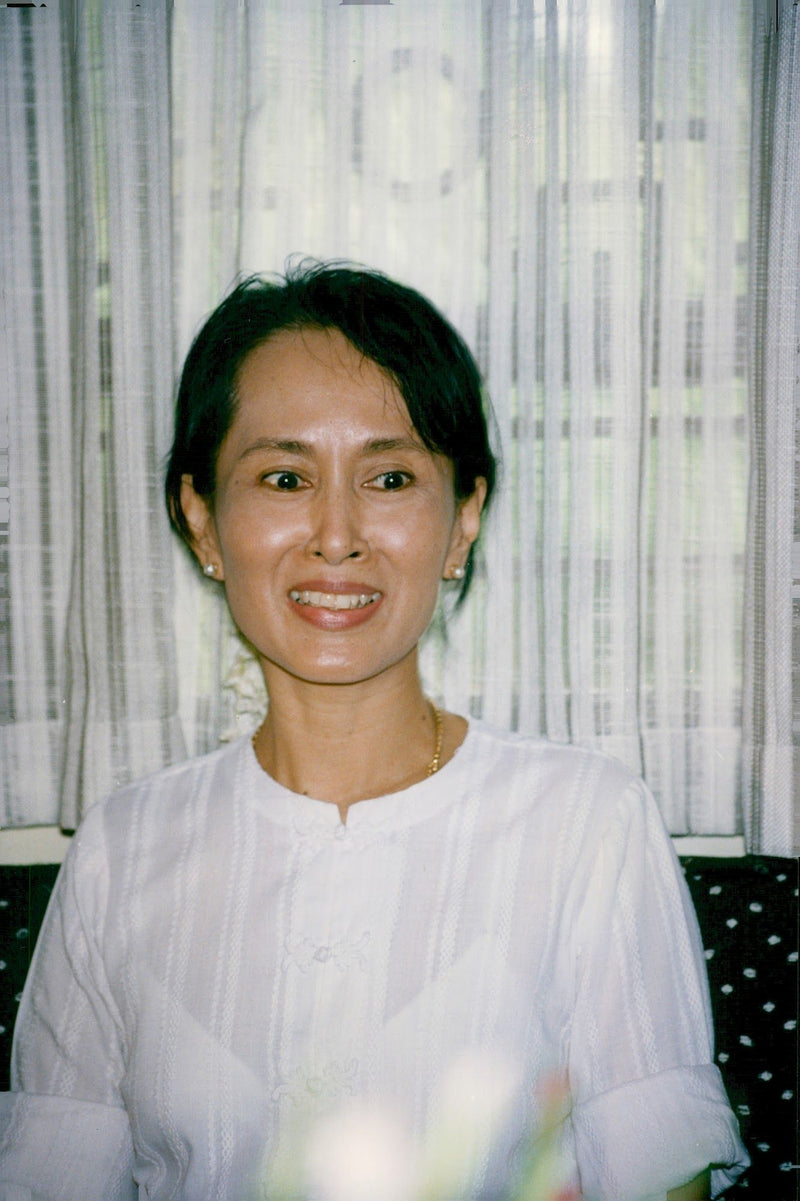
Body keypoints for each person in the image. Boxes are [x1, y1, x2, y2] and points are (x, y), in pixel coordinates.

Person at [0, 263, 748, 1200]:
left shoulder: (587, 825)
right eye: (284, 477)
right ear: (202, 520)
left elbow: (659, 1177)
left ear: (464, 517)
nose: (337, 534)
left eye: (390, 477)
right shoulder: (120, 847)